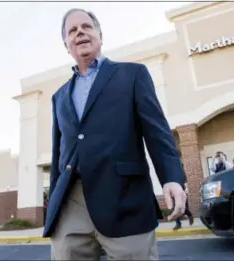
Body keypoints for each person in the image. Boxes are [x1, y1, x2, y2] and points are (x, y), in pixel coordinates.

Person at [44, 8, 187, 260]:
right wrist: (55, 202)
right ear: (67, 45)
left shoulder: (132, 75)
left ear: (100, 34)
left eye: (86, 27)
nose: (80, 33)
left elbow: (157, 132)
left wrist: (171, 178)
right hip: (71, 203)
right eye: (72, 31)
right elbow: (59, 154)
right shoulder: (59, 97)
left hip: (124, 198)